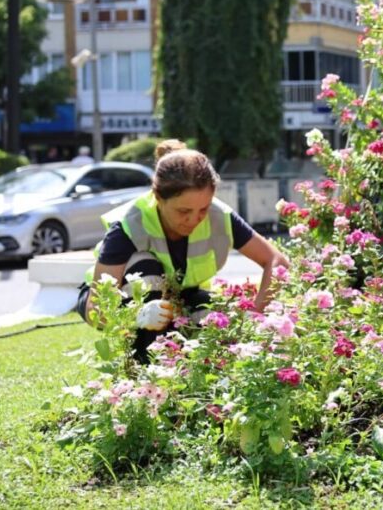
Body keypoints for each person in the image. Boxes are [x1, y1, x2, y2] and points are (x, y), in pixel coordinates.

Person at [75, 139, 289, 361]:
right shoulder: (129, 225)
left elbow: (277, 262)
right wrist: (138, 316)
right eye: (183, 211)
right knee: (147, 273)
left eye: (203, 209)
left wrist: (256, 313)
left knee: (216, 322)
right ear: (158, 197)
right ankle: (148, 371)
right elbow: (95, 311)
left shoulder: (220, 216)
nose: (194, 219)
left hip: (180, 296)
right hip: (118, 299)